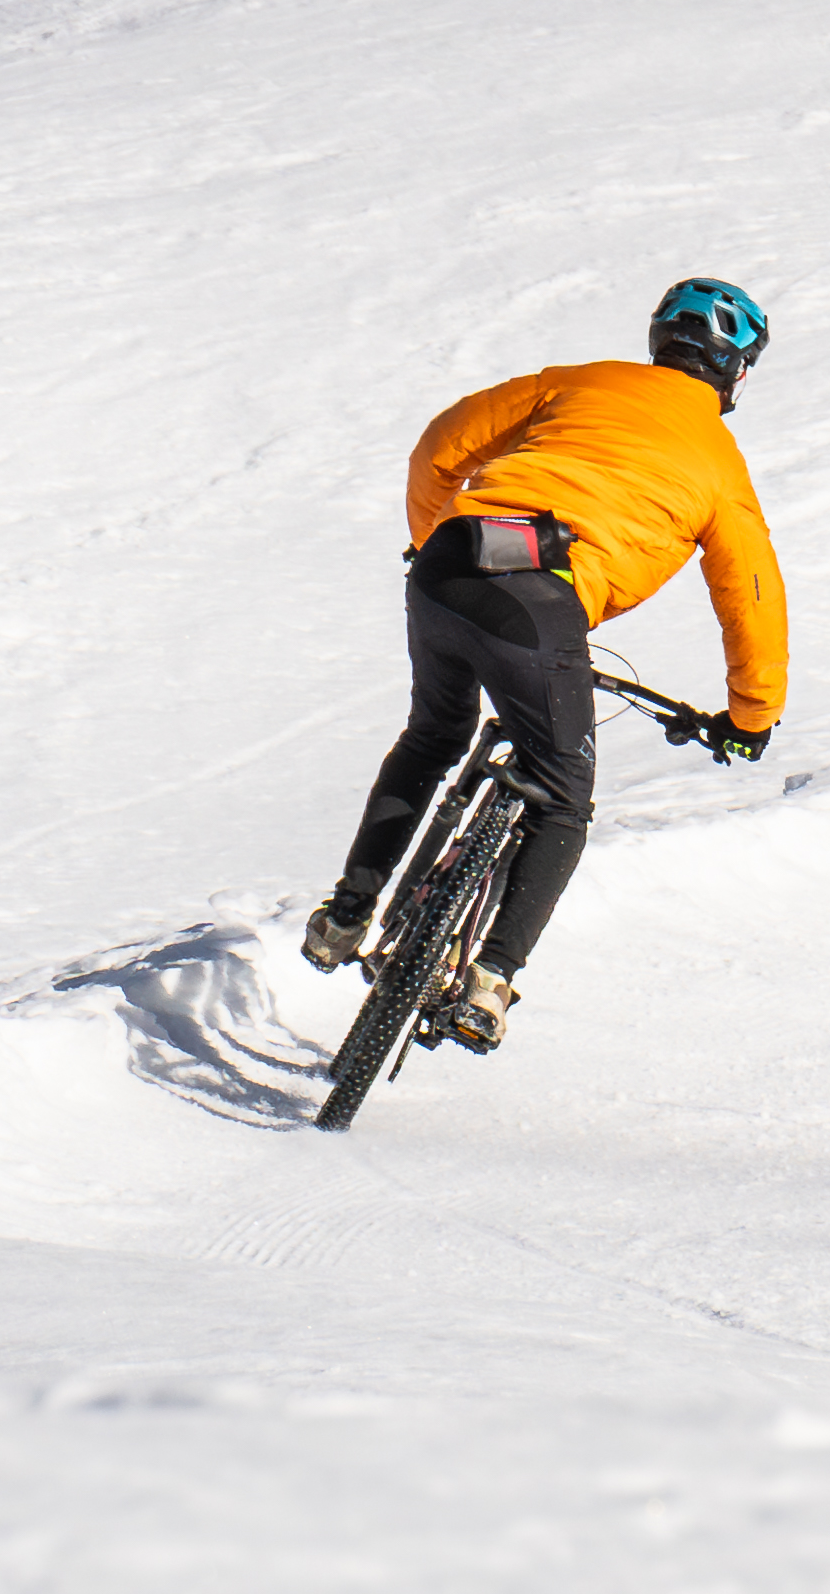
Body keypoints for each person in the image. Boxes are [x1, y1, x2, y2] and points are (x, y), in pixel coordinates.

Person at [298, 278, 790, 1049]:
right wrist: (749, 716)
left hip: (450, 564)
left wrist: (429, 535)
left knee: (435, 733)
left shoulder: (574, 383)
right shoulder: (720, 466)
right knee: (562, 797)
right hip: (539, 601)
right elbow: (750, 594)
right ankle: (490, 983)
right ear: (735, 370)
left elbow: (441, 446)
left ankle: (344, 916)